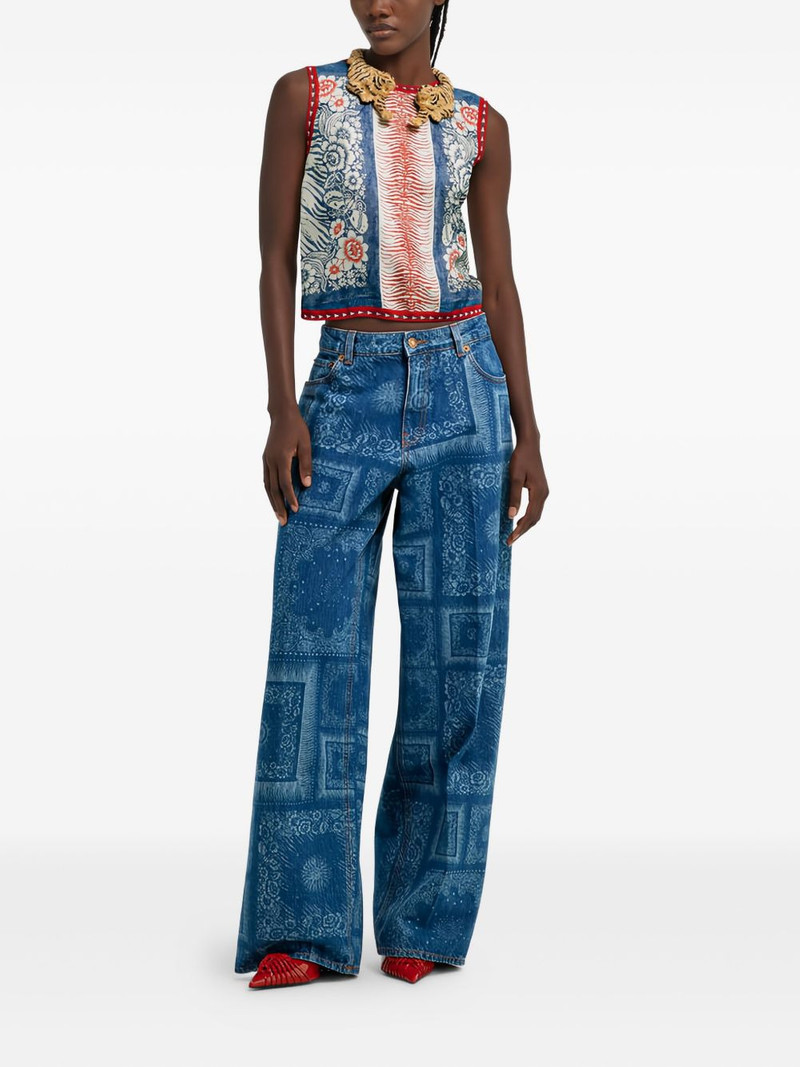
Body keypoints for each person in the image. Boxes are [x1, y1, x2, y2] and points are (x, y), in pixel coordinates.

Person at [234, 0, 549, 989]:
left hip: (467, 388)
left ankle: (424, 917)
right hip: (344, 387)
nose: (379, 3)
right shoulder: (304, 98)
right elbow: (272, 258)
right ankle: (303, 926)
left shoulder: (481, 125)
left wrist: (529, 432)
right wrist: (282, 407)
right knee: (312, 649)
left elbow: (498, 281)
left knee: (458, 660)